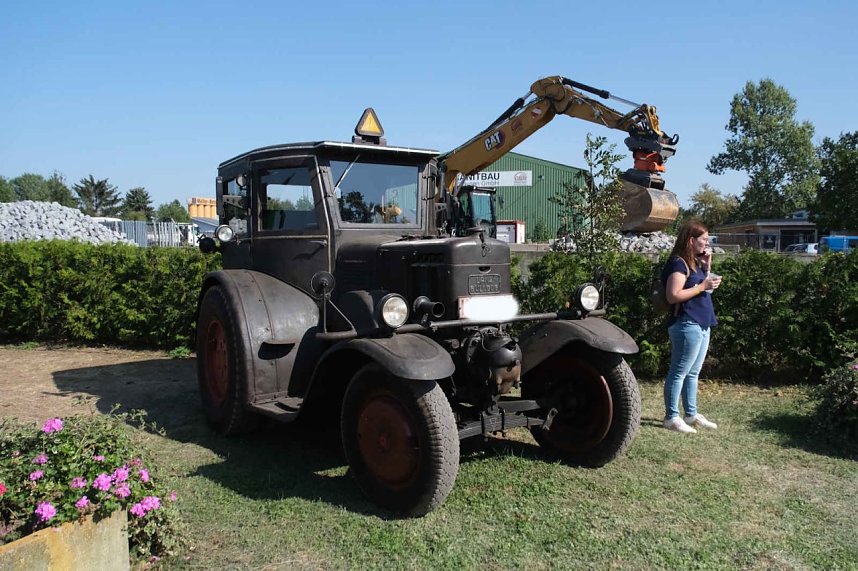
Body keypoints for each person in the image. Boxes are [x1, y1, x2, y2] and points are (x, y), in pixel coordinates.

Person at [662, 219, 722, 434]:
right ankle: (671, 417)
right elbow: (673, 295)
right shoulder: (678, 263)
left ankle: (691, 414)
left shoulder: (694, 262)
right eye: (704, 239)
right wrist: (702, 285)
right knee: (679, 372)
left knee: (693, 372)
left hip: (702, 322)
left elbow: (703, 289)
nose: (707, 243)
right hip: (686, 323)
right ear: (690, 240)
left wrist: (707, 269)